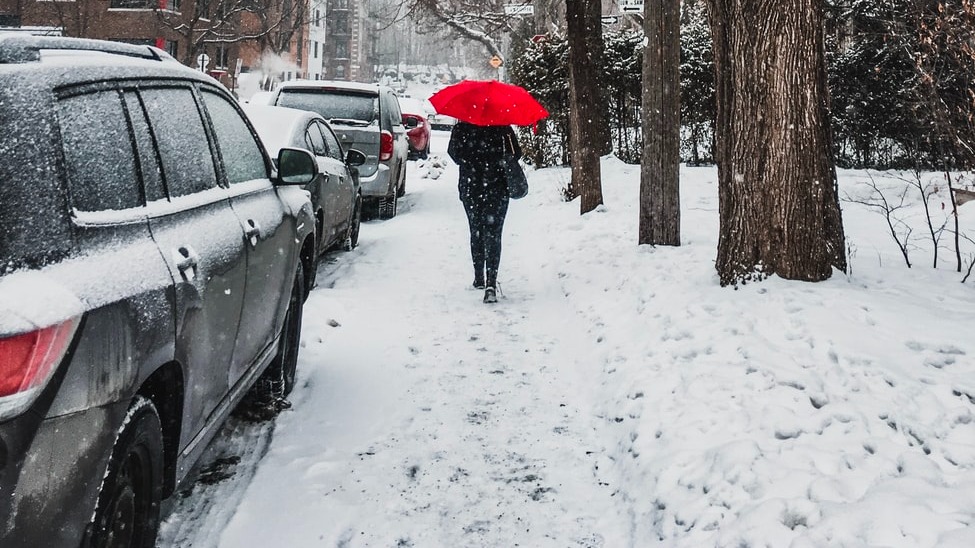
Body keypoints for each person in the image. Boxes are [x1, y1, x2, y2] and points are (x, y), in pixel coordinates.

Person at [447, 121, 521, 304]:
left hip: (471, 186)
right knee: (494, 234)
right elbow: (516, 154)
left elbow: (454, 154)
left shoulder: (461, 127)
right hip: (497, 187)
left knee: (476, 230)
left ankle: (478, 275)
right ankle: (491, 282)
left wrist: (471, 160)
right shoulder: (503, 128)